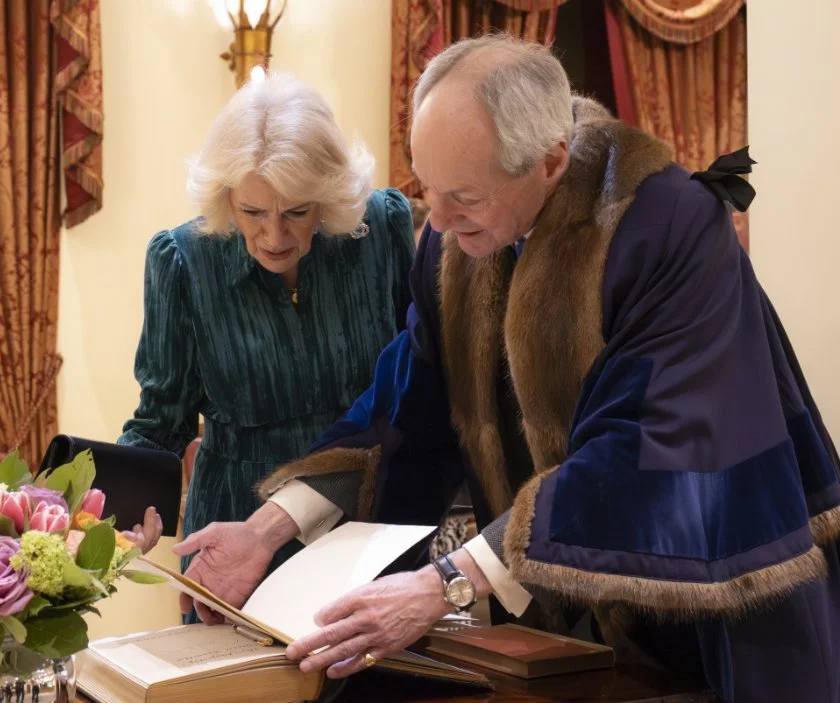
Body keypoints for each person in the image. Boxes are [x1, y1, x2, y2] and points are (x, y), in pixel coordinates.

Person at [172, 35, 840, 702]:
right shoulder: (455, 236)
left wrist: (447, 583)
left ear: (551, 160)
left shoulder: (670, 227)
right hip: (564, 627)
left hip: (712, 604)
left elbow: (641, 449)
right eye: (427, 188)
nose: (437, 218)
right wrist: (267, 529)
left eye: (462, 194)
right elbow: (403, 406)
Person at [116, 73, 417, 618]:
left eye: (297, 212)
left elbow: (421, 379)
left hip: (367, 517)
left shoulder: (380, 231)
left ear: (326, 195)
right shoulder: (184, 261)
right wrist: (115, 508)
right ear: (225, 195)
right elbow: (162, 419)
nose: (275, 236)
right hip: (237, 531)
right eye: (253, 213)